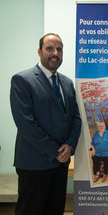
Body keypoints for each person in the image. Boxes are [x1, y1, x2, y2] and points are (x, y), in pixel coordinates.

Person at [10, 33, 82, 215]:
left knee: (55, 210)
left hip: (60, 165)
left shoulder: (66, 83)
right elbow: (26, 124)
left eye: (59, 49)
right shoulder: (22, 80)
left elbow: (76, 118)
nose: (55, 53)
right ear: (39, 51)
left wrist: (70, 146)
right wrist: (55, 151)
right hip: (35, 164)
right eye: (50, 48)